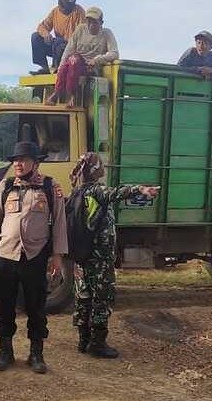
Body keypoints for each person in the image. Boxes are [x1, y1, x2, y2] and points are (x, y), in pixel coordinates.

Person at [0, 140, 68, 373]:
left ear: (35, 163)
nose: (18, 164)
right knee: (4, 305)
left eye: (23, 160)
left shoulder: (50, 187)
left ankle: (36, 354)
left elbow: (59, 222)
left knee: (36, 305)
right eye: (15, 160)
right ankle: (5, 352)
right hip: (6, 255)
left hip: (35, 255)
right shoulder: (5, 186)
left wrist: (57, 255)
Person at [68, 153, 159, 358]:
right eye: (101, 165)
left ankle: (83, 340)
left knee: (83, 297)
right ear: (95, 170)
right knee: (101, 298)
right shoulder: (96, 190)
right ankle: (97, 344)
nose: (104, 168)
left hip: (81, 257)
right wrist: (141, 189)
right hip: (99, 259)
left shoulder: (76, 192)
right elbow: (116, 193)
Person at [47, 6, 119, 105]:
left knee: (74, 60)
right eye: (89, 22)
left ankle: (72, 96)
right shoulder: (80, 29)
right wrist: (60, 68)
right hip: (75, 63)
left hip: (91, 67)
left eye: (94, 22)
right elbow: (68, 50)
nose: (91, 25)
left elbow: (114, 53)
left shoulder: (107, 33)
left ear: (101, 23)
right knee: (70, 61)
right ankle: (57, 92)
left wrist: (97, 60)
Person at [30, 0, 84, 75]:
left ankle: (57, 67)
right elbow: (41, 26)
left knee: (58, 41)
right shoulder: (55, 12)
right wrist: (46, 34)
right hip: (57, 48)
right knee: (35, 37)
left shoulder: (79, 11)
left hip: (72, 48)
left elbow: (83, 32)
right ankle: (44, 67)